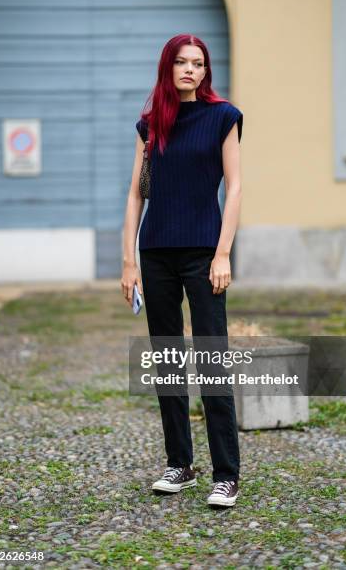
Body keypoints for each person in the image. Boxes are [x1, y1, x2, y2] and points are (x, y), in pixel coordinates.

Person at [121, 33, 243, 508]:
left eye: (198, 63)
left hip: (203, 253)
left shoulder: (222, 118)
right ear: (167, 69)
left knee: (213, 360)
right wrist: (129, 259)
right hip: (155, 253)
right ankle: (180, 464)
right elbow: (136, 194)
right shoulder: (151, 125)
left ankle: (226, 474)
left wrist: (223, 252)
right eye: (182, 62)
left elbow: (234, 188)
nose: (191, 70)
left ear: (205, 71)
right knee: (168, 362)